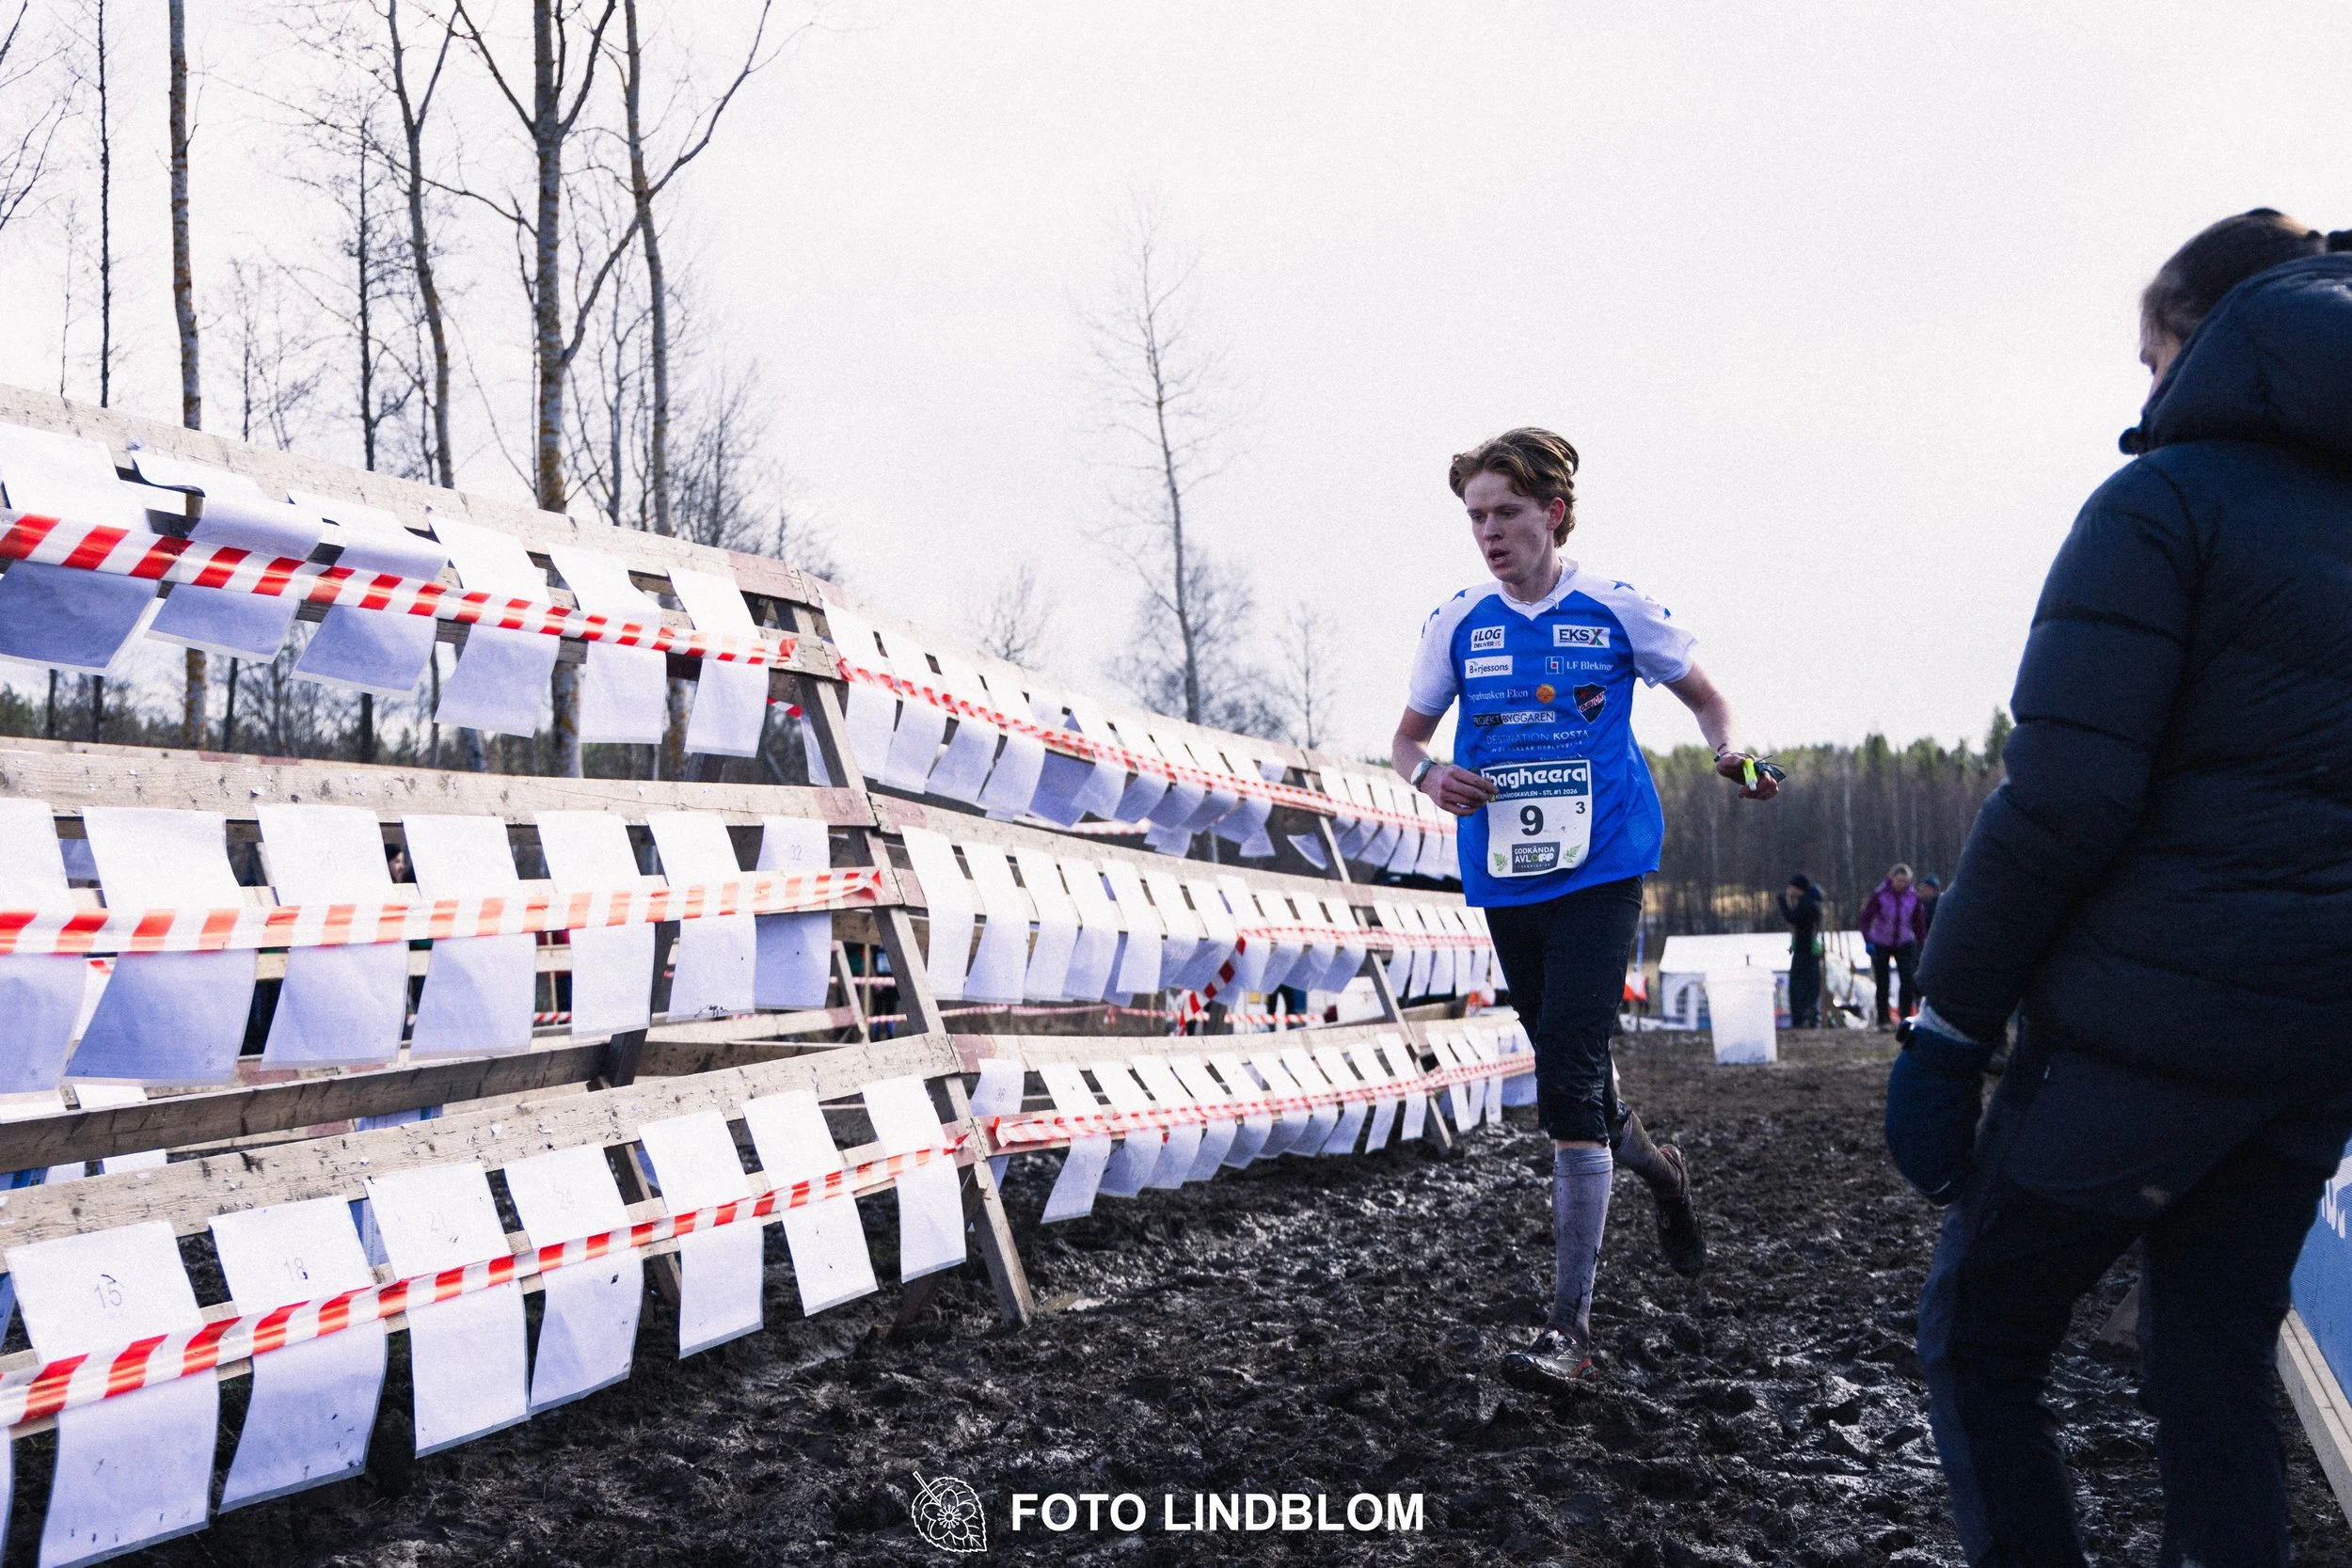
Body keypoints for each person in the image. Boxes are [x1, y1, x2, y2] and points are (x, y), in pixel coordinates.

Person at [1887, 211, 2352, 1567]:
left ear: (2212, 341)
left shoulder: (2164, 502)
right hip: (2318, 1043)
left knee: (1980, 1340)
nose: (2146, 391)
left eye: (2152, 358)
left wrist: (1949, 1026)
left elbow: (2064, 800)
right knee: (2215, 1355)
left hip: (2144, 1034)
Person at [1391, 426, 1779, 1390]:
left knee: (1566, 1080)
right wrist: (1430, 775)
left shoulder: (1614, 608)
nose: (1489, 532)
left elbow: (1709, 700)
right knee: (1578, 1081)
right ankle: (1661, 1170)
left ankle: (1568, 1331)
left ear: (1553, 513)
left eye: (1506, 513)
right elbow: (1406, 741)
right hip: (1505, 873)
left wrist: (1734, 755)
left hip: (1603, 863)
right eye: (1475, 517)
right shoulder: (1457, 622)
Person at [1858, 863, 1924, 1028]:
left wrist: (1922, 943)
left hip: (1905, 942)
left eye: (1904, 881)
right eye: (1898, 880)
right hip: (1881, 942)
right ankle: (1883, 1019)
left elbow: (1919, 923)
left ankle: (1905, 1017)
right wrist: (1868, 940)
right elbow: (1866, 918)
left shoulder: (1913, 897)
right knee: (1882, 982)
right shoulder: (1880, 895)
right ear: (1892, 879)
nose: (1901, 884)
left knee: (1907, 979)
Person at [1779, 873, 1826, 1027]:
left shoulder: (1807, 904)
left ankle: (1803, 1017)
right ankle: (1807, 1016)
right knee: (1808, 985)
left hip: (1805, 950)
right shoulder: (1810, 903)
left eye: (1792, 887)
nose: (1789, 890)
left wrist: (1782, 902)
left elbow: (1792, 918)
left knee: (1800, 985)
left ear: (1798, 889)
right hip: (1808, 950)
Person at [1916, 873, 1943, 939]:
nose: (1921, 889)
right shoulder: (1918, 902)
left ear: (1934, 890)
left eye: (1925, 887)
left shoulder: (1939, 905)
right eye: (1921, 886)